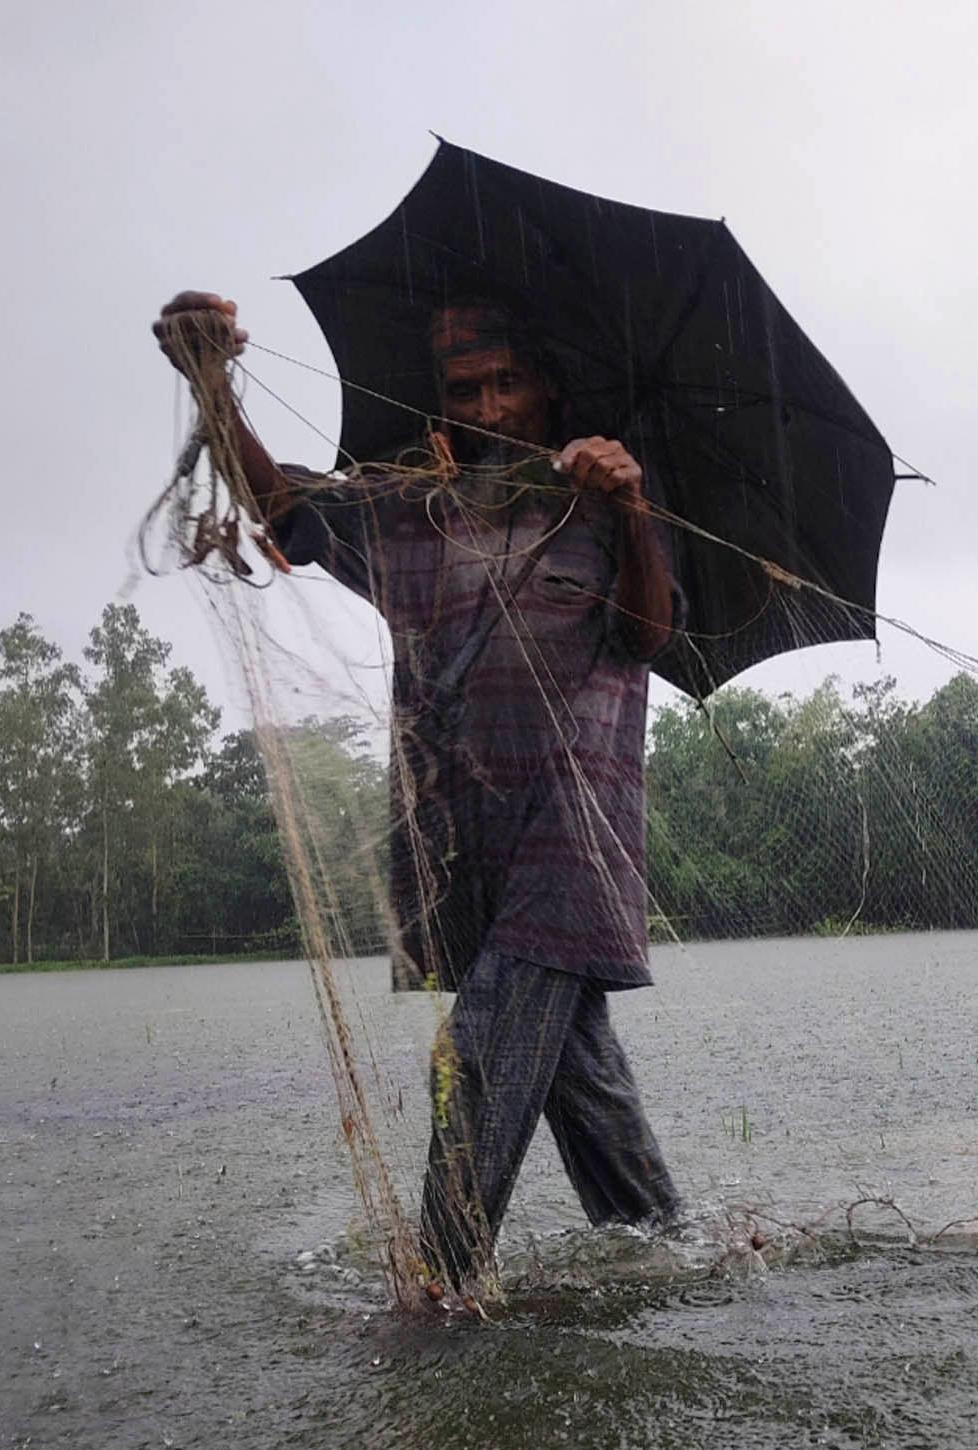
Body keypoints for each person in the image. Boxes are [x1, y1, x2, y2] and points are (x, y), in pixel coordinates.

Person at [153, 290, 684, 1292]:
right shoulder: (411, 513)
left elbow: (650, 636)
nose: (489, 403)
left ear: (547, 392)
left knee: (481, 1053)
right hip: (454, 848)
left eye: (508, 382)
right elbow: (288, 510)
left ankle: (439, 1298)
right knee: (584, 1086)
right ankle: (673, 1250)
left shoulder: (604, 511)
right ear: (440, 406)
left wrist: (631, 504)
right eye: (464, 388)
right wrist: (211, 380)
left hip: (569, 848)